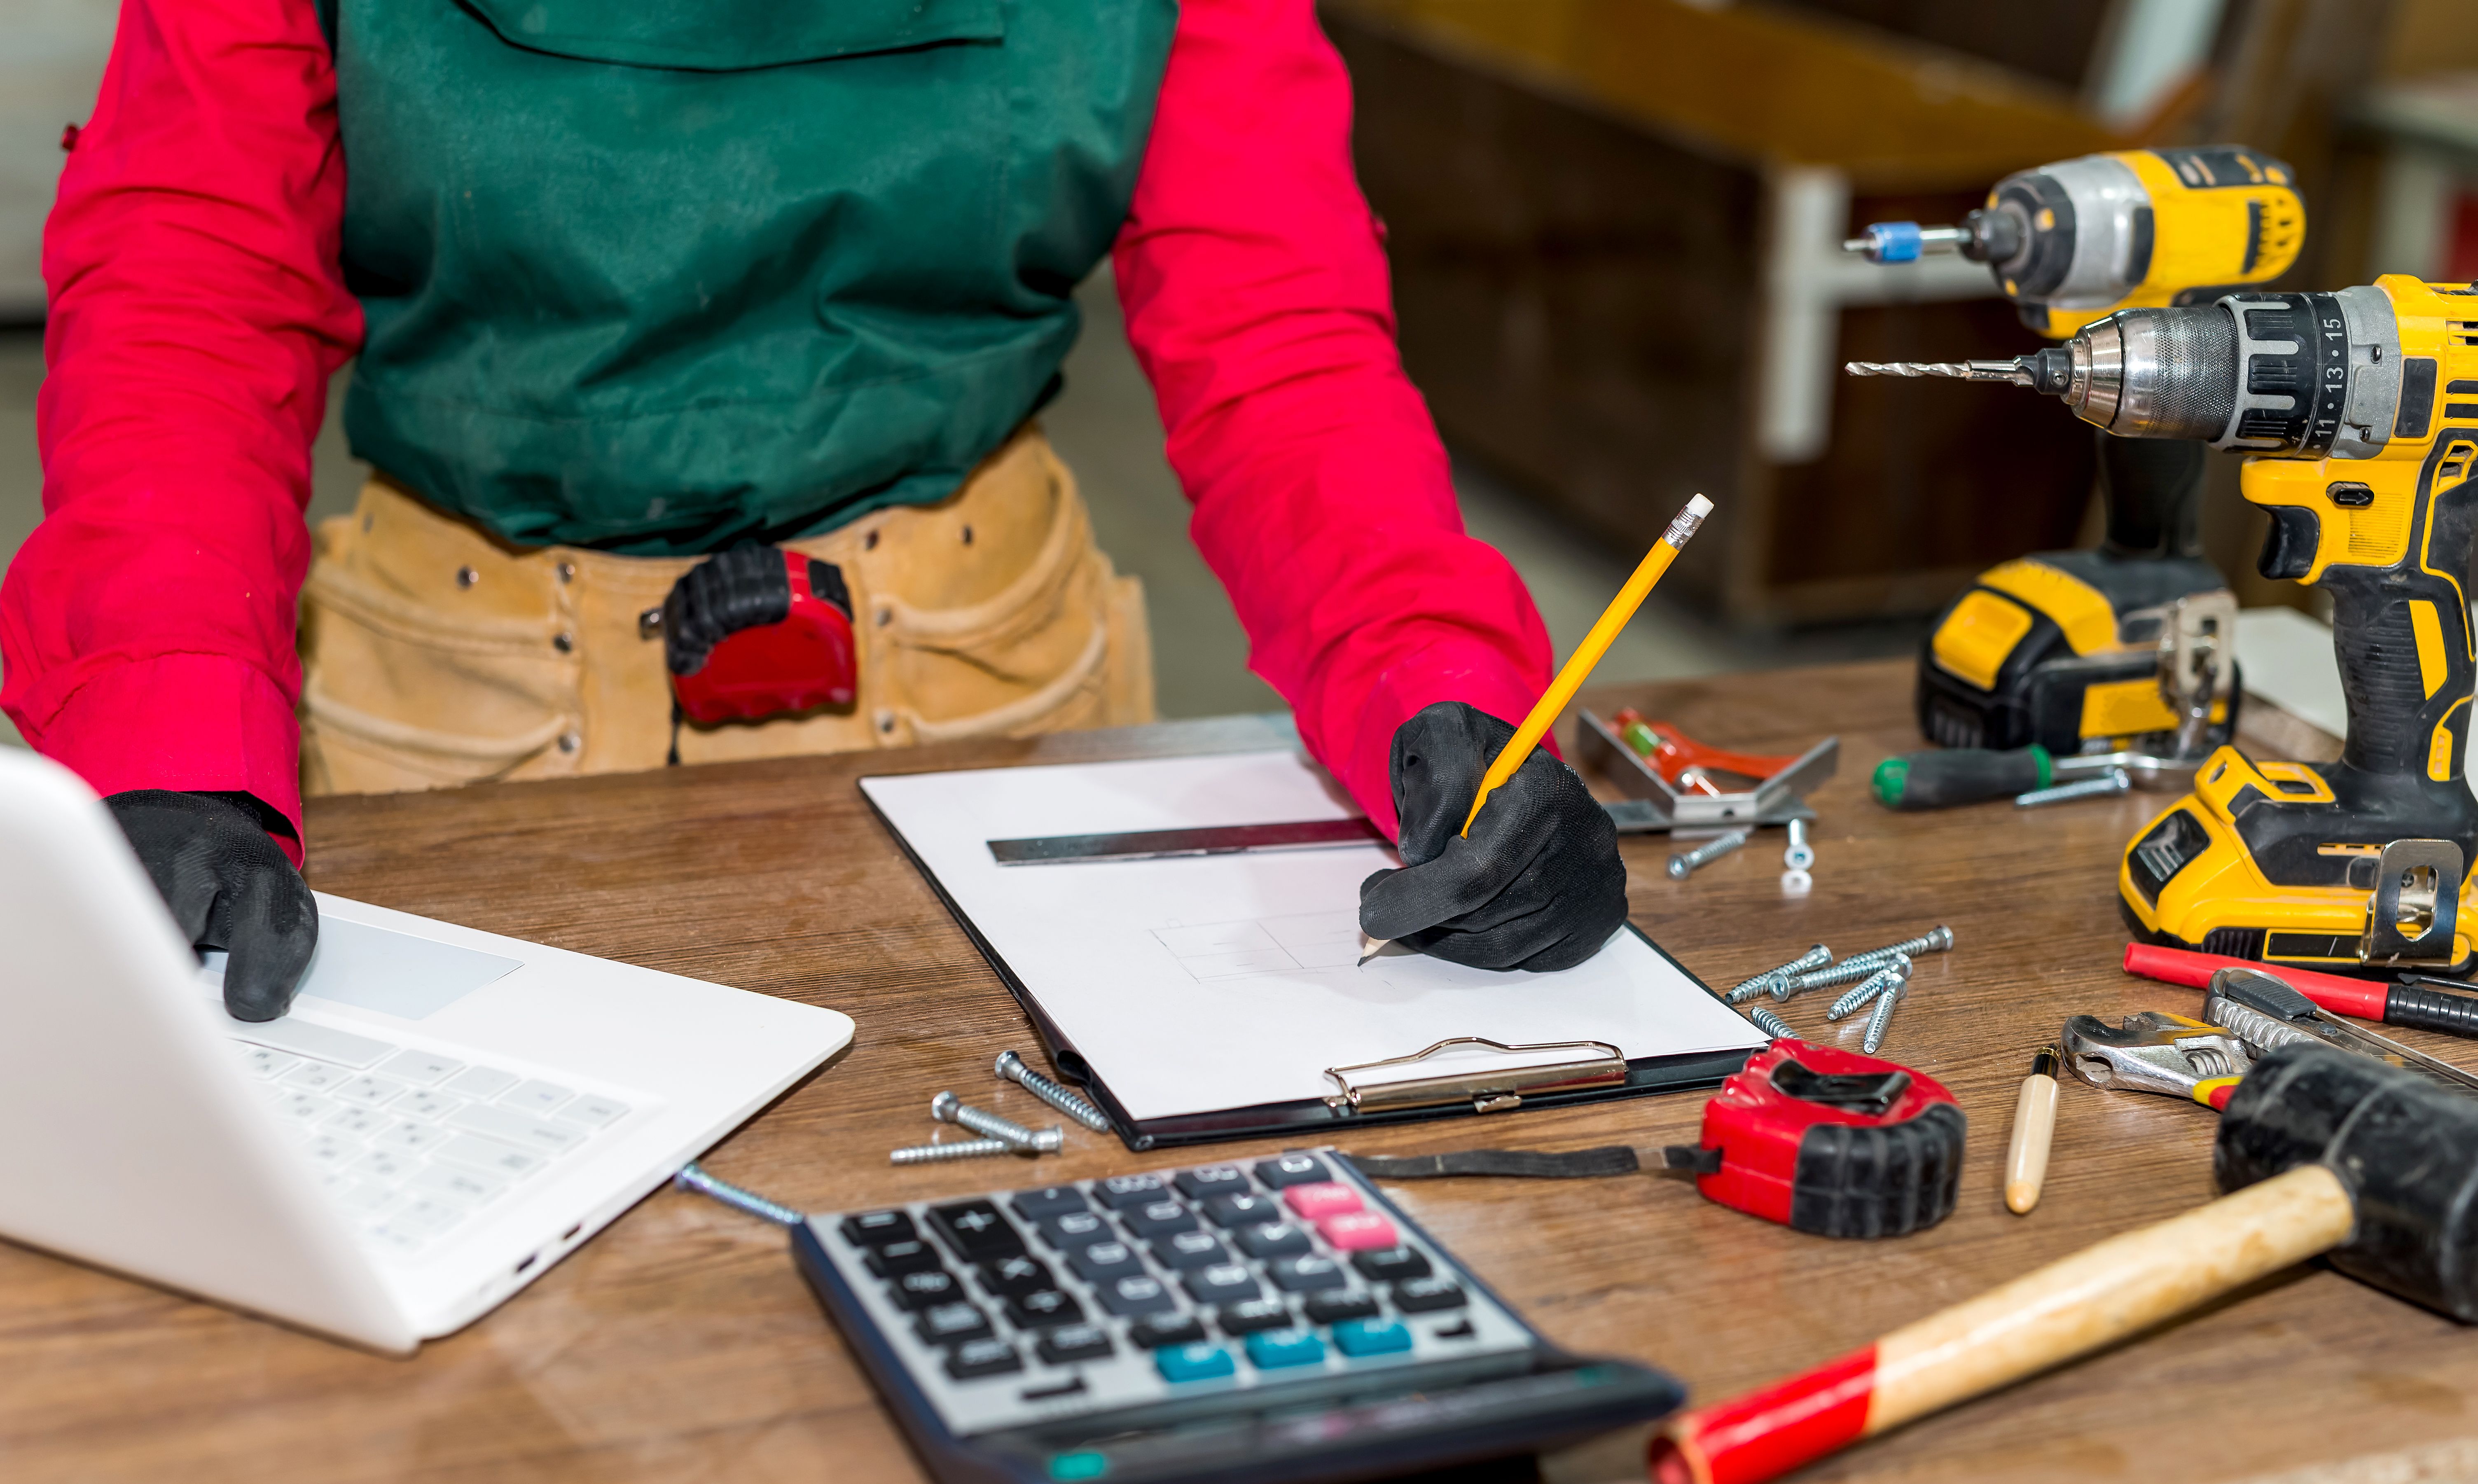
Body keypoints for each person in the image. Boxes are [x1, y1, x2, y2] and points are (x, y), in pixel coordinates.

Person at [4, 0, 1625, 1021]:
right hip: (450, 737)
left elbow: (1272, 333)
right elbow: (194, 285)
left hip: (993, 704)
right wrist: (167, 733)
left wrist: (1435, 686)